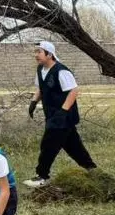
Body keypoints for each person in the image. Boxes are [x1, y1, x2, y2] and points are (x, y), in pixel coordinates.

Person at [24, 41, 97, 187]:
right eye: (35, 52)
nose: (36, 55)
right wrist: (33, 103)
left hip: (64, 116)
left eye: (39, 52)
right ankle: (92, 169)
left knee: (48, 144)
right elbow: (40, 88)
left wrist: (63, 111)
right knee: (73, 146)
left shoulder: (61, 71)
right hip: (52, 115)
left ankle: (42, 176)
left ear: (49, 54)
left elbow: (74, 91)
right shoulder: (40, 70)